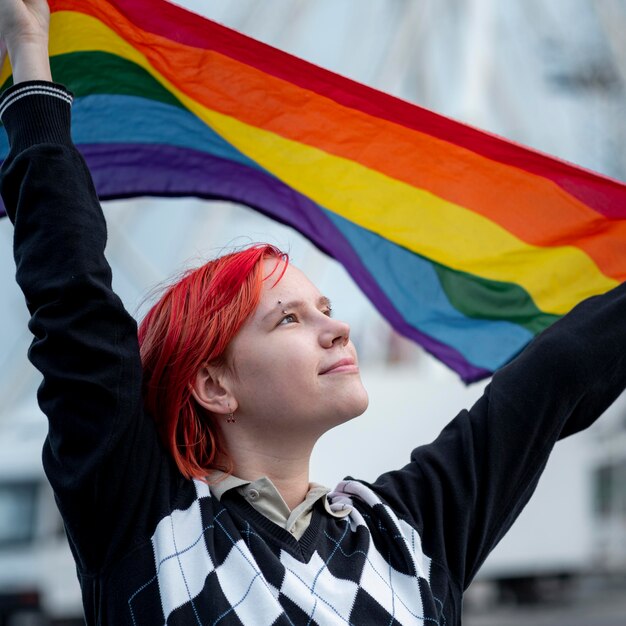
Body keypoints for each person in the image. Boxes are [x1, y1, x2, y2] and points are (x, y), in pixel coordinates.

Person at [1, 1, 625, 624]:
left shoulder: (408, 532)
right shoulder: (147, 524)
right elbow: (73, 298)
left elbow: (557, 373)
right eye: (291, 318)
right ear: (214, 384)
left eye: (325, 307)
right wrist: (30, 64)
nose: (340, 328)